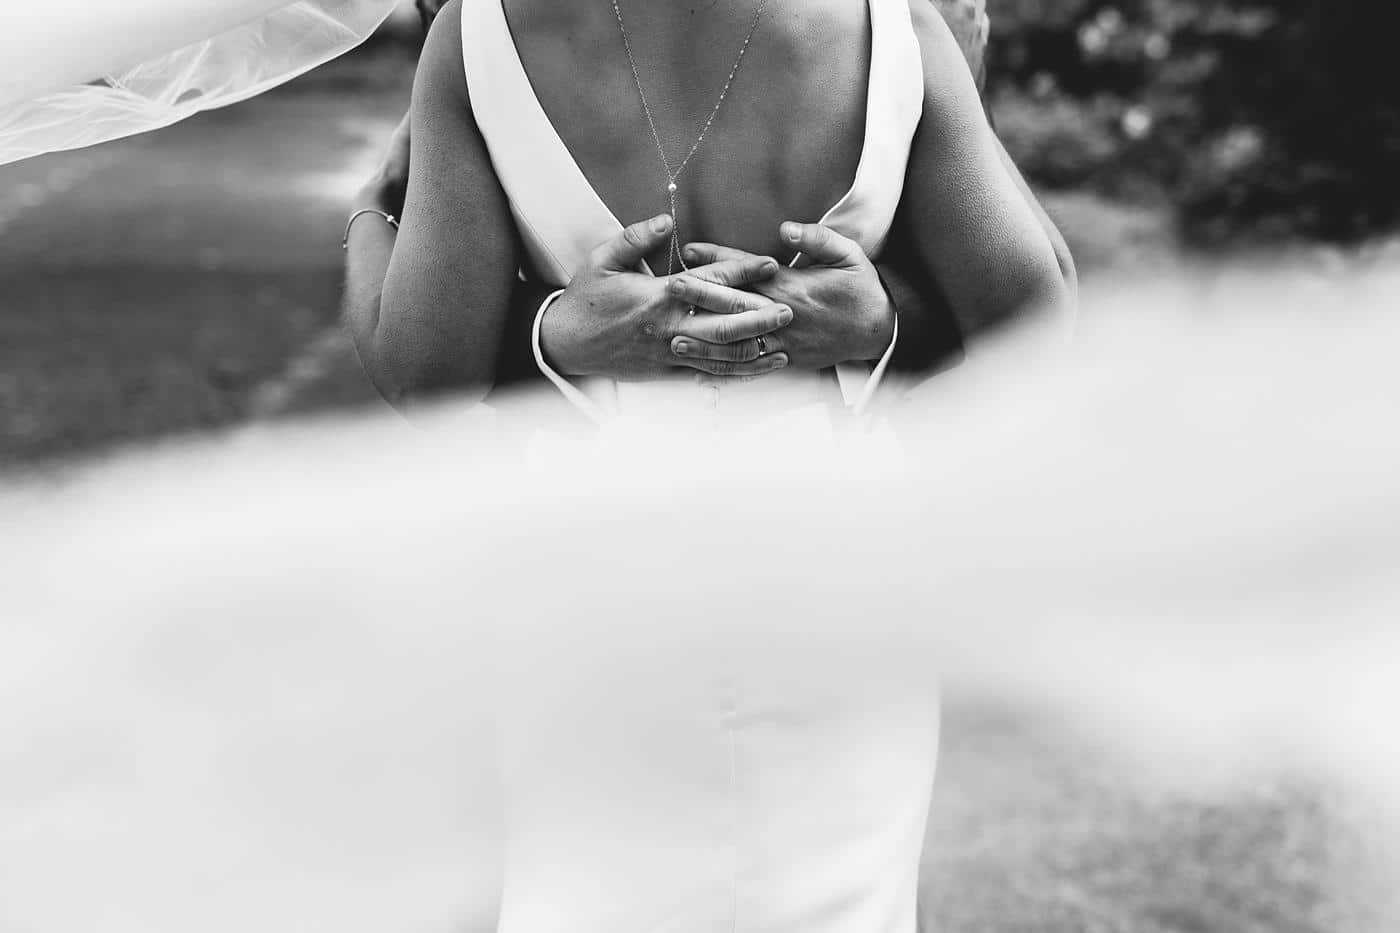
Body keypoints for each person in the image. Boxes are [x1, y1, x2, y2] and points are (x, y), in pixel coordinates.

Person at [344, 0, 1076, 424]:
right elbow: (1039, 315)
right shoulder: (895, 23)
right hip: (841, 557)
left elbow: (423, 375)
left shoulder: (479, 32)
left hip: (580, 555)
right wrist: (883, 319)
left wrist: (372, 214)